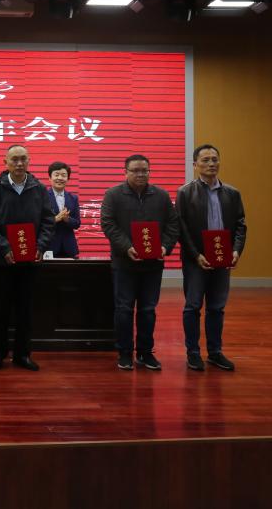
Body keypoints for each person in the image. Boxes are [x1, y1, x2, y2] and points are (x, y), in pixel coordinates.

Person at [100, 154, 181, 371]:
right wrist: (127, 247)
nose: (140, 174)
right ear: (125, 172)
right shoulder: (113, 195)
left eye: (145, 170)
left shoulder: (161, 196)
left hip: (152, 264)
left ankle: (145, 352)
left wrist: (165, 247)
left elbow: (173, 224)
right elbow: (108, 224)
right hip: (124, 263)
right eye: (135, 170)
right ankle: (124, 352)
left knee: (148, 309)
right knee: (124, 309)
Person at [0, 145, 55, 371]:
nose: (19, 163)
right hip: (2, 260)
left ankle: (23, 354)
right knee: (0, 309)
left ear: (29, 161)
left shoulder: (39, 188)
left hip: (30, 260)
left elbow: (48, 220)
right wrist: (4, 247)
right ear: (6, 162)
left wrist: (40, 246)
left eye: (23, 159)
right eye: (15, 159)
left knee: (25, 309)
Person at [176, 144, 247, 372]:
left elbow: (240, 225)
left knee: (217, 307)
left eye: (214, 159)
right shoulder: (185, 192)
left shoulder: (232, 193)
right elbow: (181, 228)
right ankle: (193, 353)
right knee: (193, 306)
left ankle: (215, 352)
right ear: (195, 164)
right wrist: (195, 255)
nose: (211, 164)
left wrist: (236, 250)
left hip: (222, 259)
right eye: (205, 160)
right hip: (196, 260)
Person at [46, 161, 81, 258]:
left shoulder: (73, 198)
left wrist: (67, 219)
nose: (60, 178)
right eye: (56, 175)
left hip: (69, 247)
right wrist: (55, 219)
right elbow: (39, 222)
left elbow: (77, 223)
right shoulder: (43, 197)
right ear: (50, 178)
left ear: (68, 179)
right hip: (49, 246)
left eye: (63, 175)